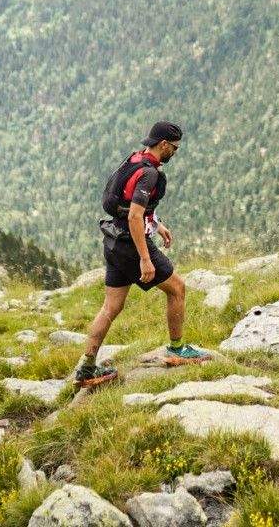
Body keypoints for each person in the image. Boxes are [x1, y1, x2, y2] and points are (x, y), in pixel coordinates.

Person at [73, 121, 209, 388]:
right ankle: (177, 349)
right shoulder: (150, 175)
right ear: (164, 145)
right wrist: (145, 258)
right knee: (177, 289)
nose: (176, 153)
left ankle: (87, 368)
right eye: (175, 148)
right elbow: (135, 215)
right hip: (131, 246)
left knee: (111, 307)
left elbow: (128, 205)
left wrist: (157, 224)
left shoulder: (133, 160)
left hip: (112, 240)